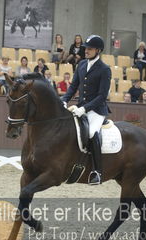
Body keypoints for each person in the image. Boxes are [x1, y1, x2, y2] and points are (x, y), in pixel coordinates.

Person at [61, 35, 111, 185]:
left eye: (89, 49)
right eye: (86, 48)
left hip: (96, 110)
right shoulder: (81, 64)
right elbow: (73, 86)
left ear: (98, 50)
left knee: (91, 132)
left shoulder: (104, 69)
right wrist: (64, 99)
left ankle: (97, 172)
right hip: (81, 107)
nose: (86, 51)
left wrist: (84, 109)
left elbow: (102, 96)